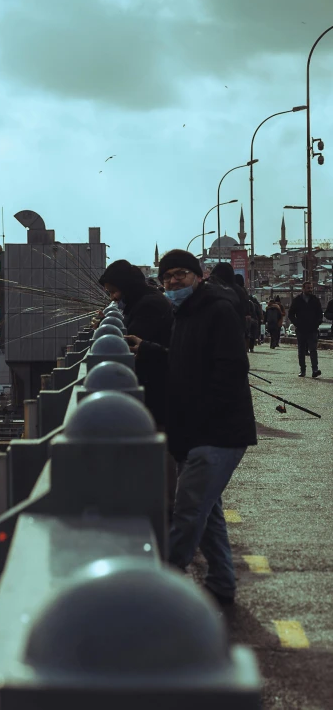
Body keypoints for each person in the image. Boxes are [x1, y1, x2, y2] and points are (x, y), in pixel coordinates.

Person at [131, 249, 257, 605]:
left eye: (180, 275)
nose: (173, 282)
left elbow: (231, 369)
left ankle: (160, 588)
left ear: (198, 275)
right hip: (194, 432)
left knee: (187, 512)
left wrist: (201, 416)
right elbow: (183, 361)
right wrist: (149, 349)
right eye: (167, 277)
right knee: (208, 512)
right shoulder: (184, 313)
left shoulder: (217, 310)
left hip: (216, 433)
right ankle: (222, 582)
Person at [98, 259, 173, 427]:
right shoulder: (141, 301)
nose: (113, 298)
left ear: (126, 287)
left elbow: (132, 343)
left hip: (156, 389)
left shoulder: (148, 305)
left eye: (114, 291)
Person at [288, 281, 323, 378]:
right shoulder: (297, 300)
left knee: (313, 350)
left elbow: (320, 313)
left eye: (311, 288)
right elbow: (291, 314)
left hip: (312, 329)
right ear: (303, 289)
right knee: (301, 350)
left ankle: (315, 369)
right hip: (301, 329)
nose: (310, 290)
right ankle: (302, 370)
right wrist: (297, 323)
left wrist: (317, 323)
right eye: (308, 288)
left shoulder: (315, 300)